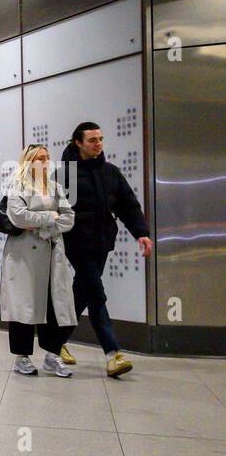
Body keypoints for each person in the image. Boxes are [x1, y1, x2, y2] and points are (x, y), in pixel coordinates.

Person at [59, 121, 152, 377]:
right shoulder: (65, 174)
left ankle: (55, 343)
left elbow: (128, 206)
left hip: (101, 242)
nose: (98, 143)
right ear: (78, 142)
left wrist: (141, 234)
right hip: (76, 243)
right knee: (97, 295)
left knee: (83, 292)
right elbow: (53, 209)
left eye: (100, 139)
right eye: (92, 140)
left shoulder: (110, 172)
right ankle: (113, 354)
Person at [0, 144, 77, 377]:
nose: (45, 161)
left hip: (51, 251)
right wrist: (51, 217)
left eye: (47, 157)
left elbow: (69, 218)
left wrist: (44, 227)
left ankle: (52, 355)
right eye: (40, 158)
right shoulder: (18, 186)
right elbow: (19, 217)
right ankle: (21, 357)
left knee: (55, 304)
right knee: (24, 305)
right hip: (23, 256)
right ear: (29, 161)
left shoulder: (55, 187)